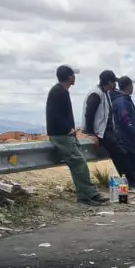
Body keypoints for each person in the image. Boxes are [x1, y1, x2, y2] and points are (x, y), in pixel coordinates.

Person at [46, 65, 109, 206]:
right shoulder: (58, 92)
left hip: (65, 135)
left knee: (78, 163)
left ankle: (84, 196)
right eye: (73, 75)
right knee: (79, 162)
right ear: (69, 77)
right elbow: (54, 115)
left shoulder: (62, 91)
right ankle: (90, 194)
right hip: (61, 136)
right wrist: (67, 129)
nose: (75, 77)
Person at [83, 70, 135, 192]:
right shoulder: (96, 94)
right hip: (100, 132)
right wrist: (91, 134)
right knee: (121, 153)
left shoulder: (105, 93)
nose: (115, 85)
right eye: (113, 82)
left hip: (106, 131)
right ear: (109, 82)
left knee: (121, 153)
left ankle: (131, 181)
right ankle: (131, 182)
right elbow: (89, 114)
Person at [111, 76, 135, 192]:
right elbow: (125, 119)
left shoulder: (123, 99)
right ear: (129, 86)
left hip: (129, 136)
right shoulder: (122, 101)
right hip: (127, 137)